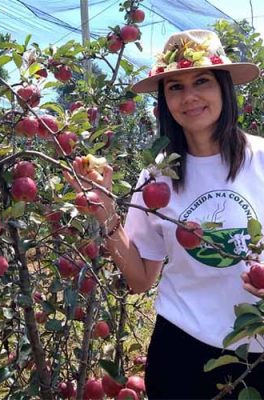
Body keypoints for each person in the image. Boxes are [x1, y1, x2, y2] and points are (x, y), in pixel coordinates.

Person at [65, 29, 264, 399]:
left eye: (201, 81)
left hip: (256, 353)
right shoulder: (157, 177)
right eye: (174, 87)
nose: (189, 97)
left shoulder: (261, 159)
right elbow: (140, 279)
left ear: (224, 87)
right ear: (164, 100)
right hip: (181, 349)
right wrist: (106, 209)